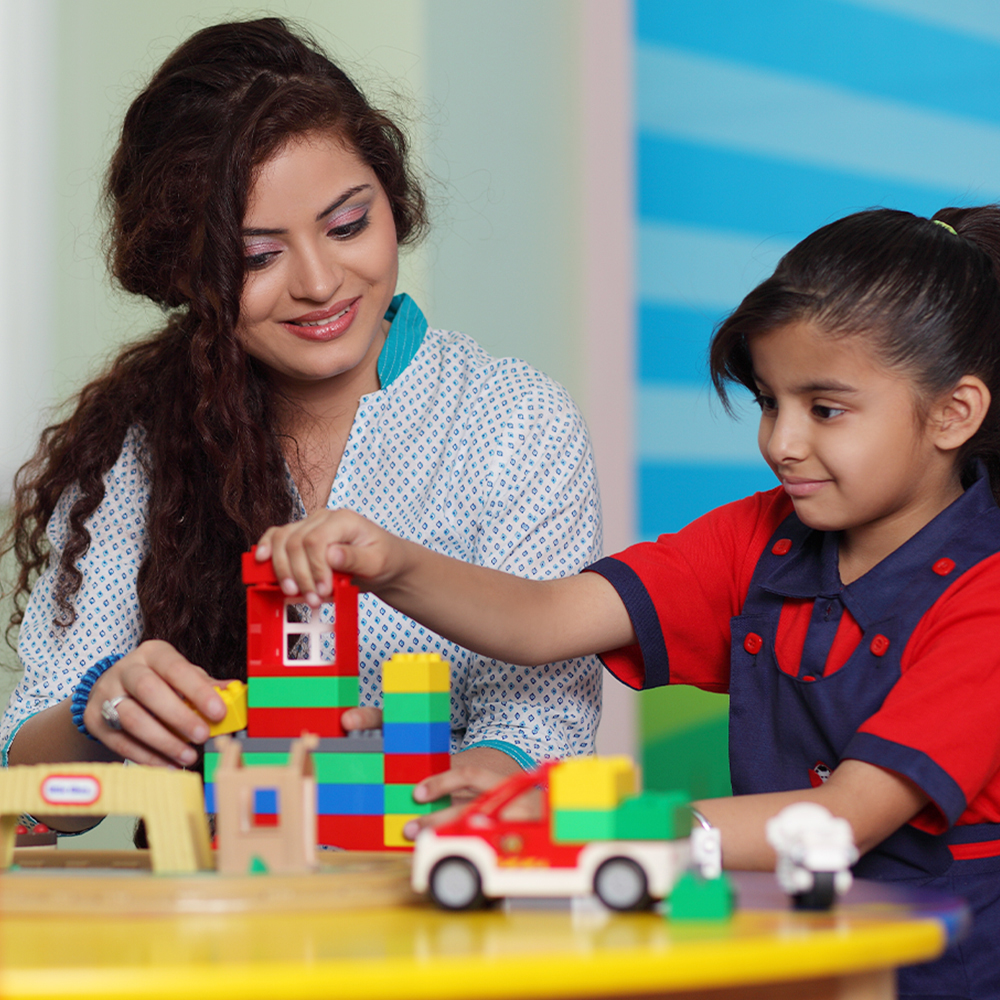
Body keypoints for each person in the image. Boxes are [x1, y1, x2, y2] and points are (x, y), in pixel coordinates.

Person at [260, 207, 1000, 998]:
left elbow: (846, 815)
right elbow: (546, 620)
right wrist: (391, 563)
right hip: (787, 952)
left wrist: (588, 828)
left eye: (824, 409)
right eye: (768, 402)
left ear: (954, 414)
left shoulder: (984, 600)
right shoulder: (760, 536)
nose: (781, 442)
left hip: (938, 974)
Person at [0, 18, 603, 828]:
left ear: (392, 199)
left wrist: (437, 777)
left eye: (348, 224)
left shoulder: (512, 422)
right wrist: (101, 713)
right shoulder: (138, 443)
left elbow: (545, 726)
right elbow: (37, 794)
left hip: (436, 910)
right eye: (256, 257)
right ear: (187, 271)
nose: (320, 282)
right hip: (215, 923)